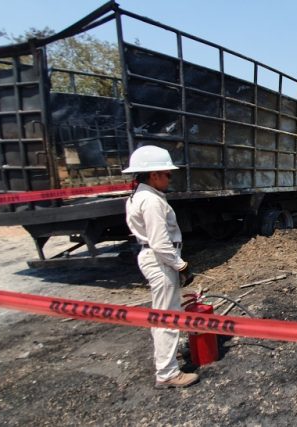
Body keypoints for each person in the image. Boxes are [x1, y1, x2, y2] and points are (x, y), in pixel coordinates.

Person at [123, 145, 199, 389]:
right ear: (153, 174)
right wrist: (181, 265)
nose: (169, 177)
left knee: (161, 314)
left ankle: (165, 361)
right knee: (169, 317)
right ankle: (167, 373)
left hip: (153, 258)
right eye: (167, 174)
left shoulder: (139, 196)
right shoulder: (152, 201)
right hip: (161, 260)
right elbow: (160, 242)